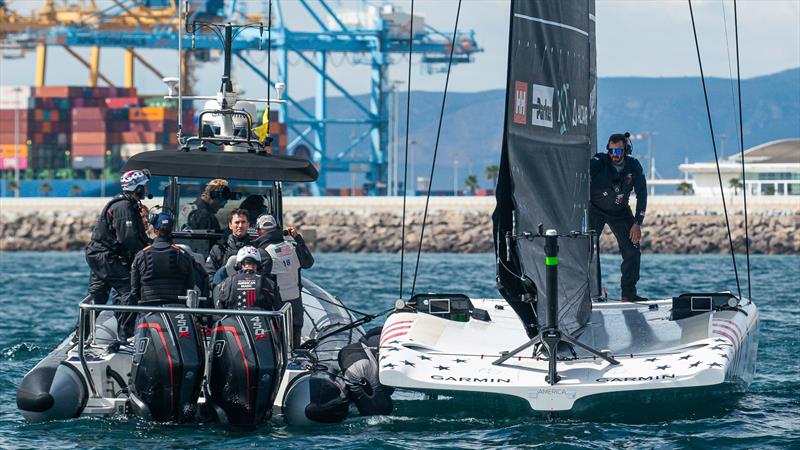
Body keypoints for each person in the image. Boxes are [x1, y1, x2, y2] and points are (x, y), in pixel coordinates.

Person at [589, 132, 648, 302]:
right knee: (584, 250)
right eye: (612, 151)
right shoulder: (599, 162)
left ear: (626, 151)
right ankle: (580, 293)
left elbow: (642, 194)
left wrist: (638, 223)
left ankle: (628, 294)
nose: (614, 155)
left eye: (619, 151)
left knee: (633, 250)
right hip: (595, 210)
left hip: (621, 212)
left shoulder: (633, 165)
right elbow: (581, 177)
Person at [119, 212, 196, 339]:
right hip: (177, 311)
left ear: (154, 230)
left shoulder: (141, 256)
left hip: (147, 311)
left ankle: (124, 336)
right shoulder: (183, 254)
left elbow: (134, 290)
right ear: (171, 229)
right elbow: (190, 285)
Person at [84, 169, 151, 306]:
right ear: (137, 188)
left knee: (98, 293)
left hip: (99, 255)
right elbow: (128, 238)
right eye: (144, 186)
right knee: (128, 289)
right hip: (104, 256)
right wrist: (147, 253)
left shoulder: (127, 204)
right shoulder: (123, 206)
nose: (146, 189)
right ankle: (125, 327)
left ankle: (86, 326)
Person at [253, 214, 314, 348]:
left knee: (277, 340)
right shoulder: (292, 246)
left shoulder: (261, 253)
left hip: (276, 305)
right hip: (295, 302)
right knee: (294, 339)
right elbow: (309, 263)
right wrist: (298, 238)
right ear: (278, 228)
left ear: (258, 231)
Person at [215, 246, 279, 311]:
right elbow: (277, 306)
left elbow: (219, 308)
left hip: (234, 319)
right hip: (260, 320)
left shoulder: (228, 281)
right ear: (258, 264)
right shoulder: (267, 282)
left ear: (239, 265)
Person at [205, 209, 253, 282]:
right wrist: (218, 290)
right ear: (230, 225)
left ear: (248, 224)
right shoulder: (219, 248)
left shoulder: (256, 248)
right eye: (237, 222)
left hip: (250, 289)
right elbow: (210, 274)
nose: (240, 226)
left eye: (243, 222)